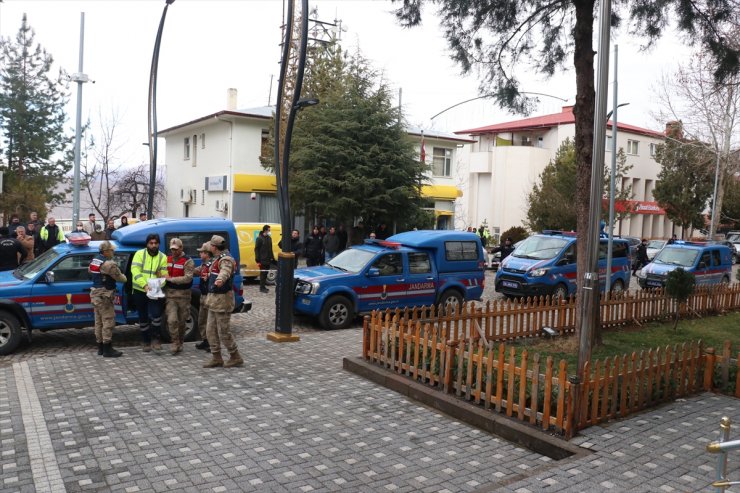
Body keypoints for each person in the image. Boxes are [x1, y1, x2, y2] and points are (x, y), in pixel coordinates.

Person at [203, 235, 243, 368]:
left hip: (223, 300)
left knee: (224, 331)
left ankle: (235, 356)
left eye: (211, 245)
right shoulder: (216, 258)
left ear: (214, 247)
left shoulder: (226, 259)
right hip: (213, 300)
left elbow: (225, 271)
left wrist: (220, 280)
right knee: (210, 330)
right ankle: (216, 357)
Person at [131, 233, 168, 353]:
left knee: (156, 316)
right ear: (147, 244)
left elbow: (164, 275)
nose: (153, 245)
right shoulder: (139, 254)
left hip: (155, 291)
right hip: (140, 290)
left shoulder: (163, 257)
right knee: (143, 317)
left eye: (155, 243)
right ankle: (146, 341)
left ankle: (156, 340)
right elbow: (135, 271)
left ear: (159, 244)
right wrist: (145, 285)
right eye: (151, 243)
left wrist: (158, 285)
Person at [89, 241, 127, 358]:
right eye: (111, 250)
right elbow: (122, 279)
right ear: (105, 252)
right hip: (105, 295)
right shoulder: (108, 264)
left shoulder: (95, 260)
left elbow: (90, 273)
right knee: (108, 321)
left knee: (98, 322)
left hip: (95, 294)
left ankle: (100, 348)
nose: (113, 252)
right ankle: (107, 348)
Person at [164, 238, 195, 355]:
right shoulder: (167, 259)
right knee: (172, 320)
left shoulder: (188, 261)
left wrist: (171, 279)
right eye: (172, 249)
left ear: (181, 248)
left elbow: (188, 278)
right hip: (171, 295)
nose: (174, 252)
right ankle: (175, 342)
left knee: (182, 321)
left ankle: (181, 341)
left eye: (176, 249)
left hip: (183, 296)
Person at [193, 242, 213, 352]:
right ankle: (205, 341)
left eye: (201, 252)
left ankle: (211, 343)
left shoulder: (212, 265)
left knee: (209, 322)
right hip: (203, 295)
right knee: (201, 320)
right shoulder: (204, 264)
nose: (200, 254)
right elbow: (197, 271)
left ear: (206, 253)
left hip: (209, 296)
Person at [254, 225, 275, 293]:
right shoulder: (259, 238)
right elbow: (256, 249)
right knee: (263, 274)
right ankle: (261, 288)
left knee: (266, 273)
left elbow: (270, 249)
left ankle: (263, 286)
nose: (269, 231)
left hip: (268, 259)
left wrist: (272, 257)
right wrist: (257, 259)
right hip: (262, 259)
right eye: (269, 230)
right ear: (265, 230)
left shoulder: (269, 238)